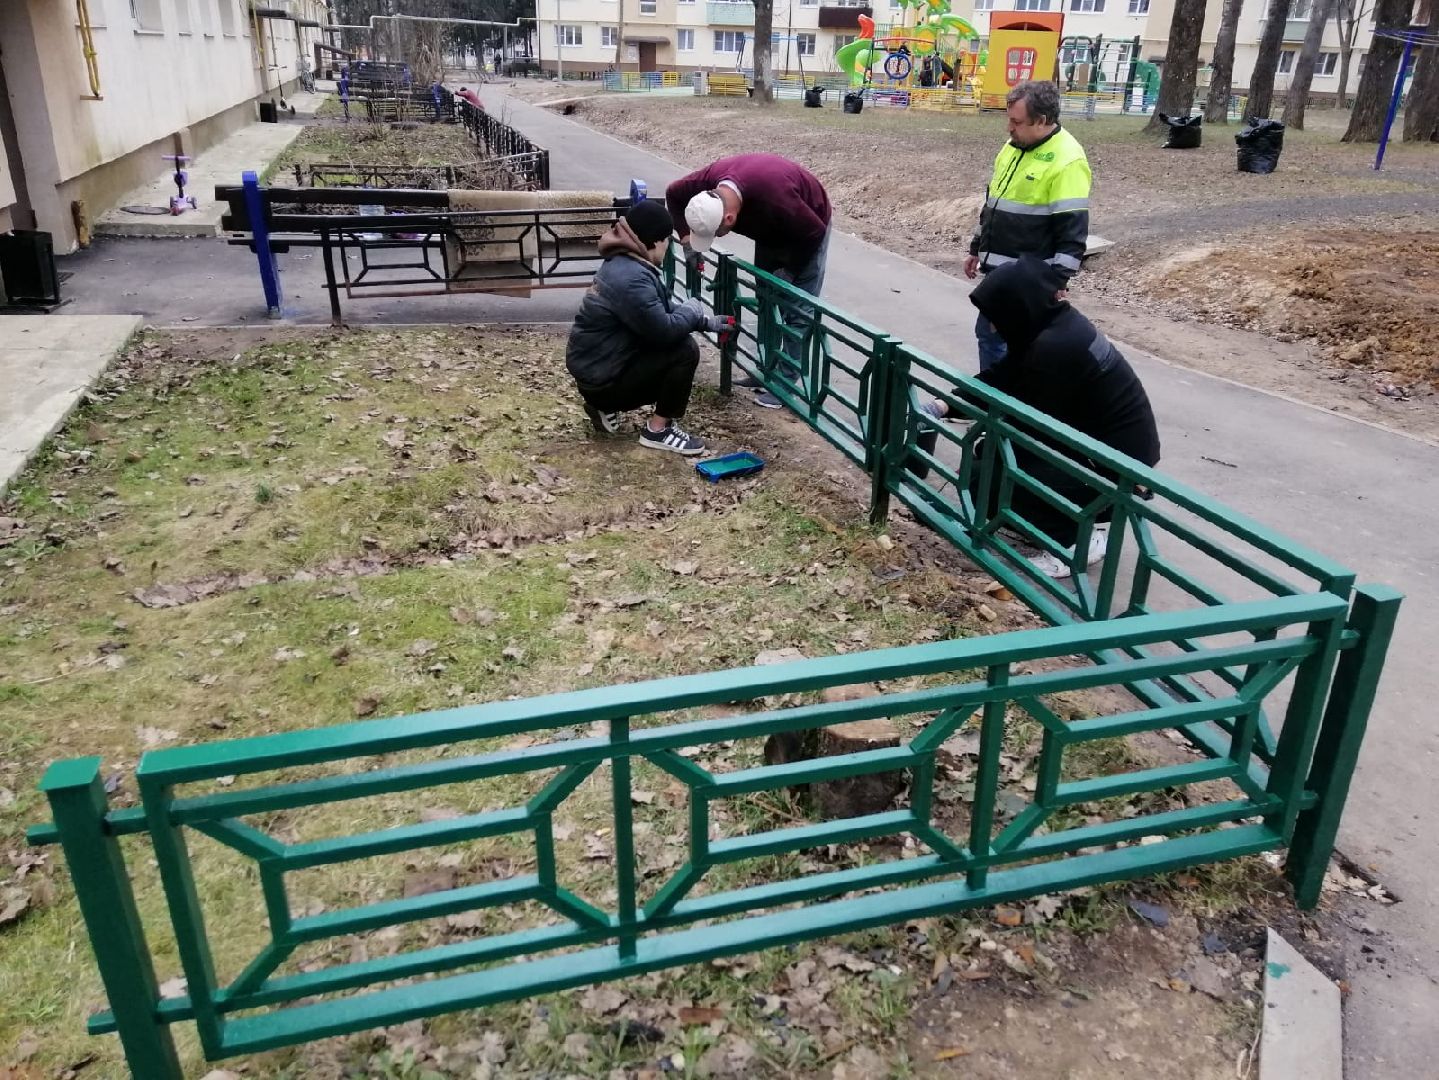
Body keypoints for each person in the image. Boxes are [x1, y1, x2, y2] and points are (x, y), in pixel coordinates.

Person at [915, 256, 1159, 579]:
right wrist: (944, 404)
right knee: (987, 467)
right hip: (1096, 450)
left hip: (1115, 471)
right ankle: (1040, 519)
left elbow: (1030, 423)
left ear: (1018, 307)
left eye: (996, 315)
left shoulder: (1055, 348)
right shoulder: (1051, 328)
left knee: (997, 463)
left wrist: (982, 452)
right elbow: (1001, 379)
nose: (992, 325)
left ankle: (1078, 541)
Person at [665, 154, 832, 408]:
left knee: (796, 308)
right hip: (768, 228)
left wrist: (790, 271)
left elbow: (814, 232)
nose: (717, 238)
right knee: (765, 296)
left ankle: (785, 386)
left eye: (716, 233)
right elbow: (673, 193)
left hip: (807, 230)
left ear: (729, 219)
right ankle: (765, 369)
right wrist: (687, 241)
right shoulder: (710, 182)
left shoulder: (775, 197)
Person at [566, 200, 730, 456]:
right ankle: (657, 430)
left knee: (674, 339)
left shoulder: (624, 263)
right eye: (667, 240)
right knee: (684, 350)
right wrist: (693, 309)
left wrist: (705, 321)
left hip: (596, 372)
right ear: (655, 241)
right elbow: (664, 330)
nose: (668, 247)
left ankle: (603, 407)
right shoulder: (632, 279)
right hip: (603, 381)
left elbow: (657, 310)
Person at [964, 81, 1091, 371]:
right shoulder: (1014, 146)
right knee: (1001, 341)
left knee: (1000, 340)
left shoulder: (1068, 160)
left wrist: (1056, 282)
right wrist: (976, 248)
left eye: (1016, 122)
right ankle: (1001, 409)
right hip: (1000, 272)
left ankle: (999, 410)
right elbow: (993, 204)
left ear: (1042, 121)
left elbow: (1073, 233)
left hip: (1028, 278)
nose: (1009, 128)